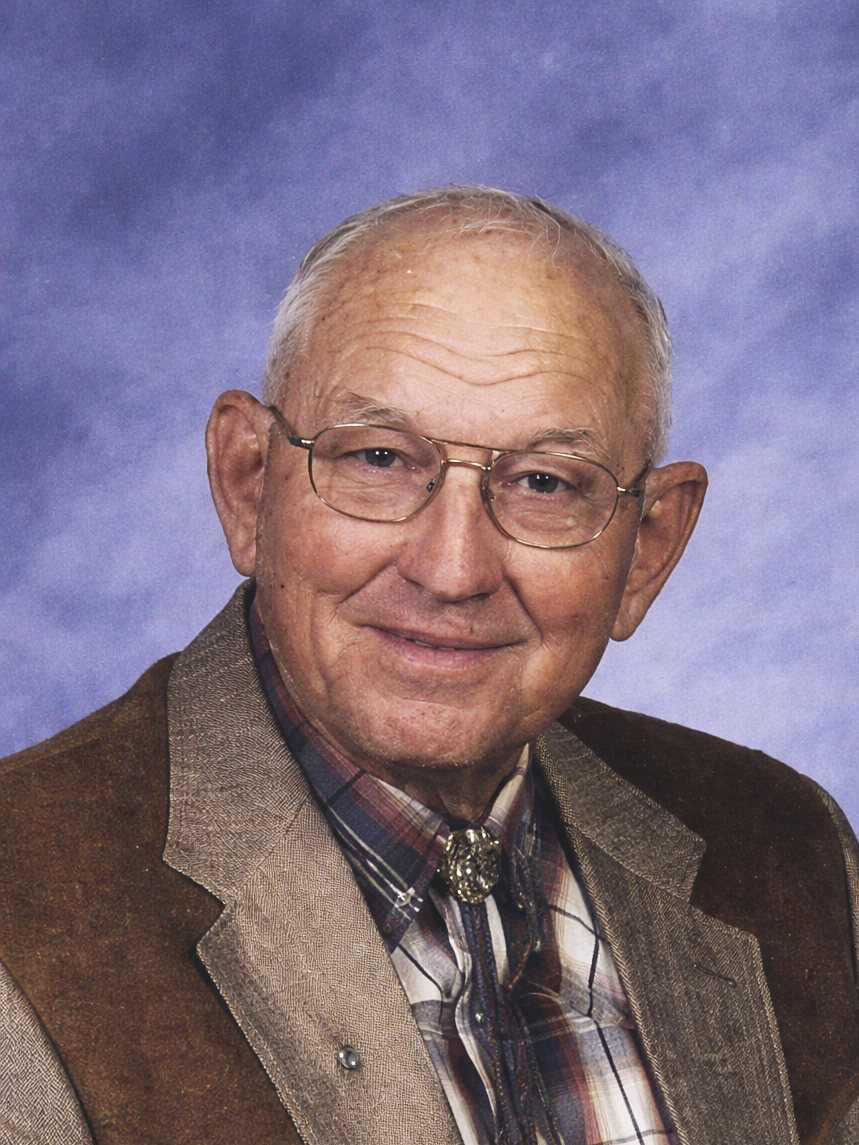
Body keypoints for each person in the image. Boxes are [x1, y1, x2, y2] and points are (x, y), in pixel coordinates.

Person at [1, 186, 857, 1145]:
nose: (452, 569)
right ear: (248, 484)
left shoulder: (791, 853)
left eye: (543, 482)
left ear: (646, 548)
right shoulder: (22, 919)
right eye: (378, 458)